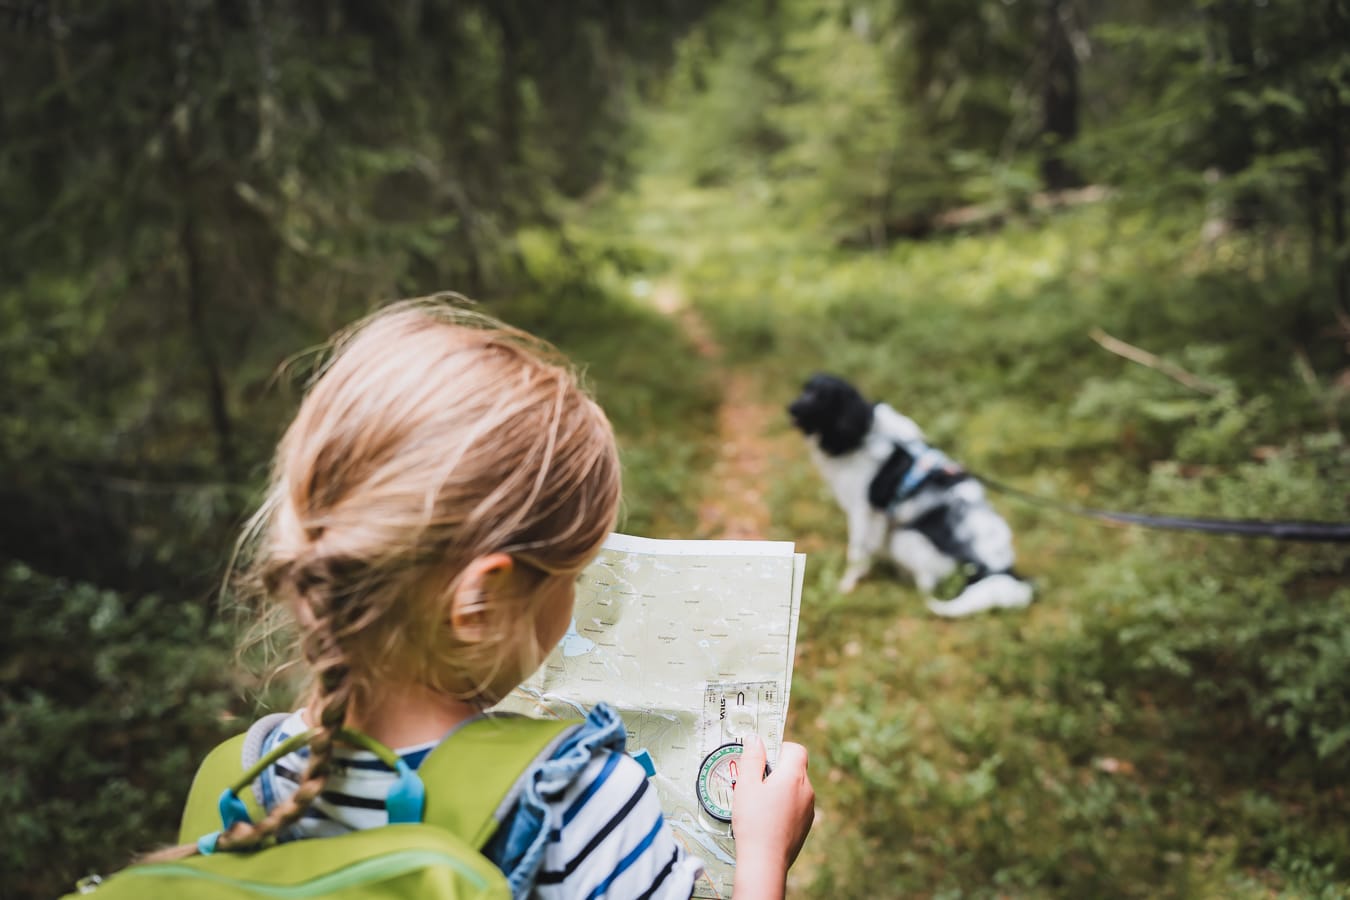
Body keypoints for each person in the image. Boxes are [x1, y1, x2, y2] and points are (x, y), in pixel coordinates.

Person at [170, 299, 814, 899]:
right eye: (575, 576)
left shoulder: (236, 785)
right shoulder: (577, 805)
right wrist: (764, 854)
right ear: (482, 600)